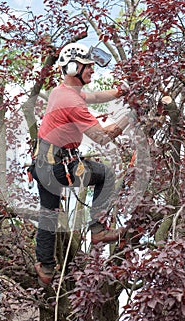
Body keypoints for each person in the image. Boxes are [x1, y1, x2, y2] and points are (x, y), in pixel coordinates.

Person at [31, 42, 131, 287]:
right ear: (75, 67)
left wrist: (119, 92)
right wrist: (131, 116)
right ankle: (97, 229)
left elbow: (94, 96)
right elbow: (104, 136)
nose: (92, 71)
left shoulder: (62, 91)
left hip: (41, 165)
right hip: (59, 167)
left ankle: (45, 267)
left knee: (49, 214)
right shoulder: (72, 102)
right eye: (88, 67)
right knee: (105, 174)